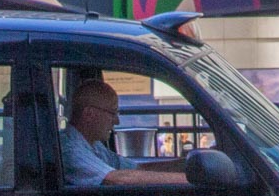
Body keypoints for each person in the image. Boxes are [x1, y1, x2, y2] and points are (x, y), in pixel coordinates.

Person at [61, 78, 189, 188]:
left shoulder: (93, 145)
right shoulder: (71, 149)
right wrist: (190, 180)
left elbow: (137, 169)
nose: (116, 121)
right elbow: (119, 179)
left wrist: (187, 164)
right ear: (89, 114)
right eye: (112, 113)